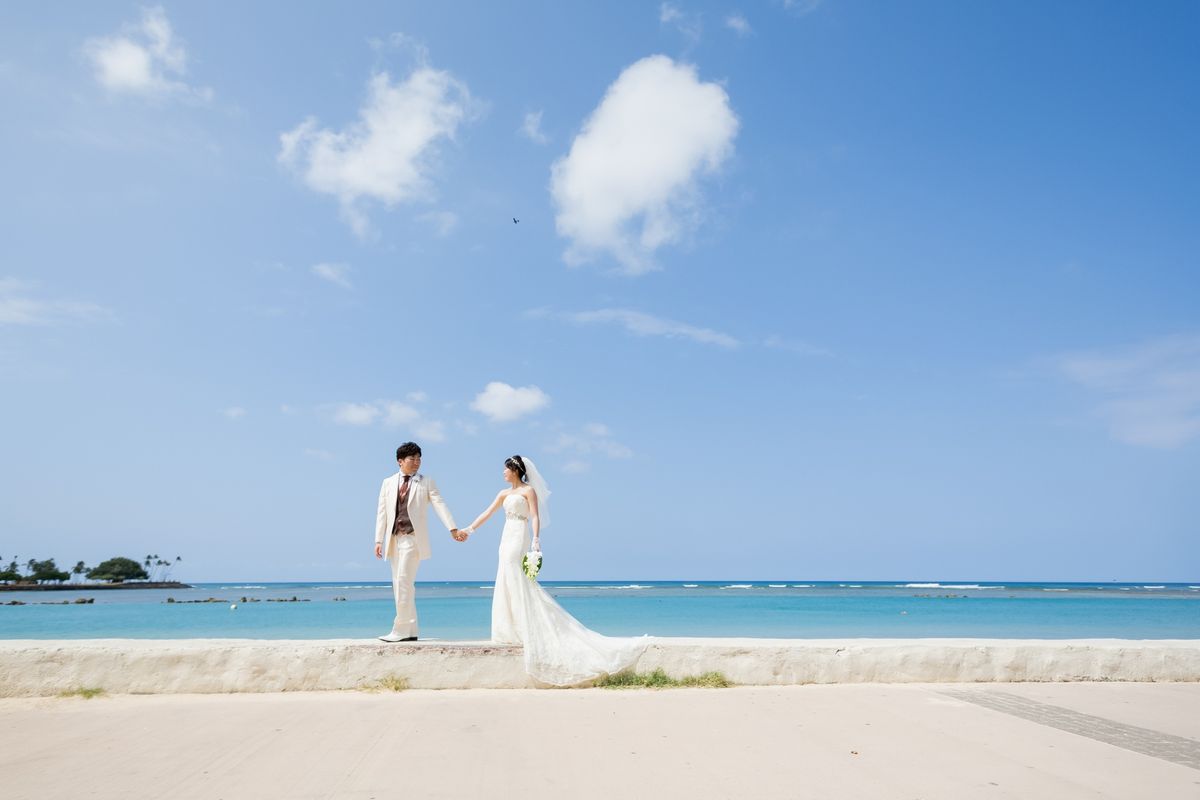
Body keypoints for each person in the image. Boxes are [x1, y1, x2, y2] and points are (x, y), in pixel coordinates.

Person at [459, 455, 648, 685]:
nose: (503, 473)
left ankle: (523, 625)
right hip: (506, 536)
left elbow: (535, 516)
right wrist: (468, 530)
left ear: (515, 470)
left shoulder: (528, 491)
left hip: (519, 535)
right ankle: (510, 627)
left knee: (516, 574)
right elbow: (487, 513)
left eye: (506, 469)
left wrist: (536, 539)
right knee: (506, 575)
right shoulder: (503, 493)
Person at [373, 442, 461, 642]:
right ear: (400, 461)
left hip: (413, 539)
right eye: (412, 458)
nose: (417, 462)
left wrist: (452, 528)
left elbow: (439, 504)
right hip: (393, 539)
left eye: (419, 458)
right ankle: (411, 630)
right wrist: (378, 540)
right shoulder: (387, 482)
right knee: (399, 584)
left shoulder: (426, 481)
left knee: (404, 581)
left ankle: (400, 630)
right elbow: (382, 513)